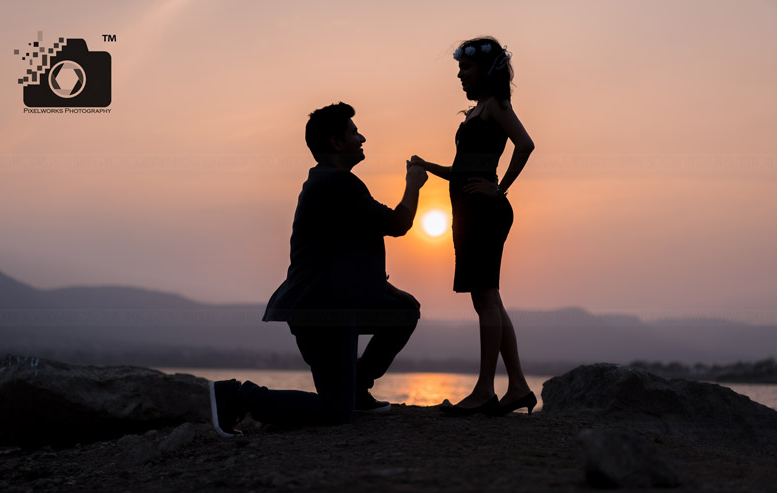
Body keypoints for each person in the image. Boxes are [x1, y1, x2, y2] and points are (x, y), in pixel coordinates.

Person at [209, 102, 428, 436]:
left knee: (401, 312)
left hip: (338, 304)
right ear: (336, 142)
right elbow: (398, 224)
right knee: (333, 411)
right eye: (354, 132)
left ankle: (356, 389)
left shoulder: (332, 183)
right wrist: (413, 183)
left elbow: (342, 253)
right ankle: (238, 396)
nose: (363, 138)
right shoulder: (337, 184)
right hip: (321, 311)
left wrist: (387, 289)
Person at [410, 37, 536, 416]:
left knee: (484, 298)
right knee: (490, 297)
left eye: (466, 68)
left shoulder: (496, 106)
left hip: (484, 211)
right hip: (469, 211)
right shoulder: (477, 110)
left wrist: (499, 188)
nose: (461, 76)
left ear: (487, 69)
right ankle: (517, 387)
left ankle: (484, 391)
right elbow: (465, 170)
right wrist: (427, 166)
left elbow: (525, 144)